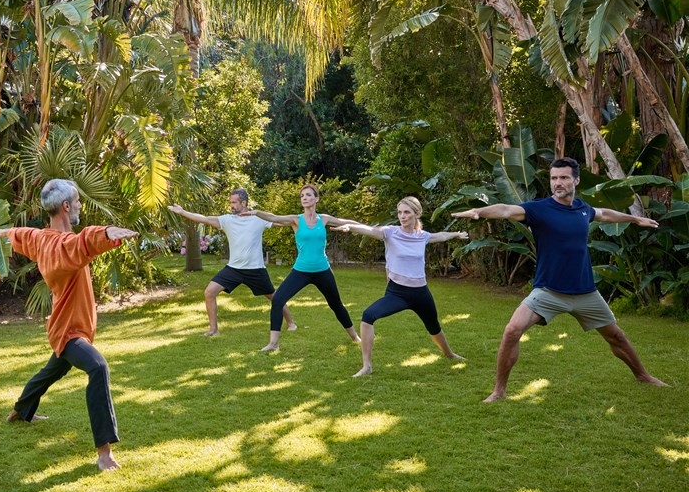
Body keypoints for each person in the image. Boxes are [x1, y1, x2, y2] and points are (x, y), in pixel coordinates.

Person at [451, 157, 668, 402]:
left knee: (616, 336)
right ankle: (499, 391)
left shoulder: (582, 209)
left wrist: (634, 219)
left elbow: (604, 214)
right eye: (554, 178)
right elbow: (505, 209)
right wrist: (480, 211)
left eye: (564, 177)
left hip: (585, 292)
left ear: (576, 180)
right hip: (549, 292)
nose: (558, 183)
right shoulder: (539, 209)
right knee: (512, 330)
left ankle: (643, 375)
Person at [0, 178, 138, 470]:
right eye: (78, 201)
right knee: (98, 367)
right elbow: (84, 241)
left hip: (65, 326)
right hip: (69, 330)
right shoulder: (63, 247)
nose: (80, 205)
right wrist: (107, 232)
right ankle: (104, 453)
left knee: (51, 371)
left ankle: (20, 411)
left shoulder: (42, 239)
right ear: (66, 206)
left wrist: (6, 231)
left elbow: (25, 234)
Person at [333, 197, 468, 377]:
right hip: (397, 293)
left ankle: (449, 354)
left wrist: (455, 234)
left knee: (433, 326)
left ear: (416, 214)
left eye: (406, 212)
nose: (402, 216)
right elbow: (371, 230)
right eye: (400, 212)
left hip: (421, 293)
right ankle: (367, 366)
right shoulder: (390, 232)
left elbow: (440, 236)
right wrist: (351, 227)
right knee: (367, 316)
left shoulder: (422, 236)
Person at [244, 183, 361, 352]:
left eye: (308, 195)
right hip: (301, 271)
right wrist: (257, 213)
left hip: (322, 271)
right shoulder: (296, 220)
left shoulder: (324, 219)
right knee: (277, 300)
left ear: (316, 198)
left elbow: (346, 221)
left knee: (336, 304)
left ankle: (354, 336)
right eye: (302, 196)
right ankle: (273, 343)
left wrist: (351, 227)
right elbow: (274, 217)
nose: (304, 198)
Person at [168, 189, 296, 336]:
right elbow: (204, 218)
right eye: (230, 202)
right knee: (209, 292)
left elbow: (282, 221)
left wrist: (300, 221)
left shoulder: (258, 218)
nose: (231, 205)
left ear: (244, 203)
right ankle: (213, 330)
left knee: (275, 297)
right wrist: (183, 212)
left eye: (234, 202)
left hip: (255, 270)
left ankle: (291, 323)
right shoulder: (227, 220)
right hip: (234, 269)